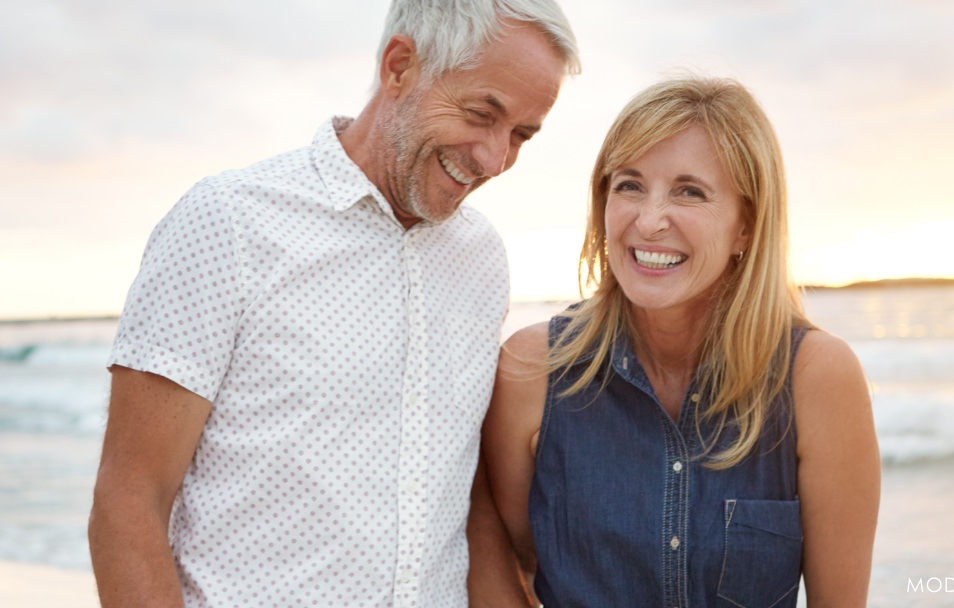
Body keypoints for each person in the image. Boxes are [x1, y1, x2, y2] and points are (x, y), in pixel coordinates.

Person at [88, 1, 580, 606]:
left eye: (522, 136)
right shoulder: (229, 222)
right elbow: (129, 502)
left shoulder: (481, 257)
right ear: (399, 66)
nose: (494, 159)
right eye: (482, 114)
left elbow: (463, 499)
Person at [473, 76, 881, 606]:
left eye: (689, 191)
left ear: (746, 228)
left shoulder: (816, 378)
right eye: (629, 185)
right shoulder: (532, 370)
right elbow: (507, 567)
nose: (649, 221)